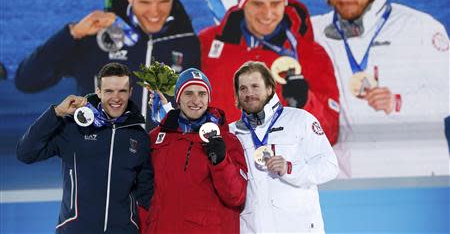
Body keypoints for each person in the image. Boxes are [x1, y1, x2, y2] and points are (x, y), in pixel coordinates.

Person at [311, 0, 450, 178]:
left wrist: (400, 103)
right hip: (348, 176)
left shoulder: (419, 27)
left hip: (416, 173)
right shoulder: (316, 31)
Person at [14, 0, 200, 127]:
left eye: (163, 2)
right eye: (144, 2)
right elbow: (27, 81)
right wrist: (72, 34)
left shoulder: (186, 42)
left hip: (162, 161)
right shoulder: (97, 37)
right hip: (101, 160)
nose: (155, 12)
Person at [198, 0, 341, 145]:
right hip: (222, 165)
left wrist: (306, 102)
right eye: (257, 4)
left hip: (279, 168)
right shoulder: (208, 44)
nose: (267, 14)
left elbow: (331, 134)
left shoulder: (311, 53)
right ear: (242, 4)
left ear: (285, 4)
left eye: (276, 3)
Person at [16, 62, 153, 234]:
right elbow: (25, 153)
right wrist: (56, 113)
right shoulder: (73, 126)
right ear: (98, 91)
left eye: (122, 91)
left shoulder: (139, 136)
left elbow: (147, 193)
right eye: (109, 91)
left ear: (131, 92)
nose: (116, 97)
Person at [229, 61, 338, 233]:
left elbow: (329, 166)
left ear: (270, 89)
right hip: (252, 228)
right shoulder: (231, 133)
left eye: (255, 86)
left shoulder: (300, 120)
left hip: (297, 227)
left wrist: (290, 169)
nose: (249, 93)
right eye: (243, 88)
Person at [140, 68, 247, 233]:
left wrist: (221, 162)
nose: (196, 101)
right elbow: (145, 192)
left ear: (209, 98)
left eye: (202, 94)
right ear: (178, 98)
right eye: (188, 93)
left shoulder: (227, 140)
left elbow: (236, 197)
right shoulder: (157, 138)